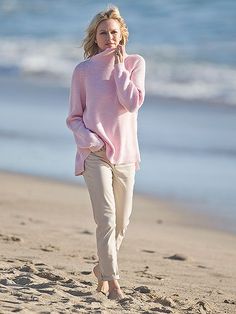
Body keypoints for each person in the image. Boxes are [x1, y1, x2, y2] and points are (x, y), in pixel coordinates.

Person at [66, 5, 145, 300]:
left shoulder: (135, 64)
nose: (109, 37)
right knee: (107, 220)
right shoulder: (83, 71)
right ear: (95, 38)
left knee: (123, 222)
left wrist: (121, 69)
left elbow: (132, 103)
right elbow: (73, 117)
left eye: (114, 32)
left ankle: (101, 268)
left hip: (125, 155)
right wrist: (89, 139)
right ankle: (113, 284)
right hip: (94, 154)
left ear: (121, 35)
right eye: (103, 33)